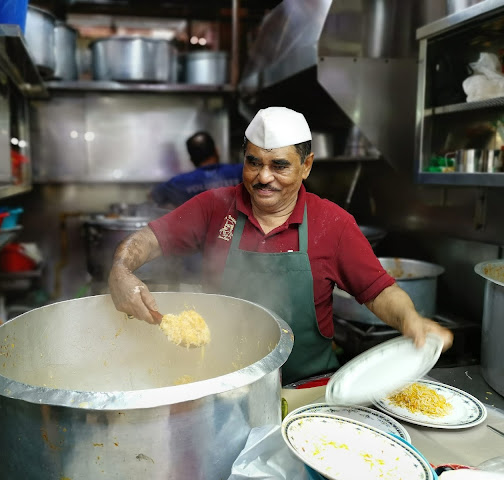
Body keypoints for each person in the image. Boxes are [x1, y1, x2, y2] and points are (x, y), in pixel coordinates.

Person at [109, 107, 453, 384]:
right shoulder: (214, 207)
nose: (263, 177)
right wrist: (121, 269)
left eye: (279, 166)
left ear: (306, 166)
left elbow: (378, 290)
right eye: (253, 162)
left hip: (309, 387)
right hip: (225, 381)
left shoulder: (332, 223)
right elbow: (148, 239)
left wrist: (410, 318)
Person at [150, 131, 243, 207]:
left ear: (191, 159)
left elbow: (153, 196)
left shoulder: (179, 183)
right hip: (238, 228)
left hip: (195, 229)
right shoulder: (240, 172)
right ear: (216, 151)